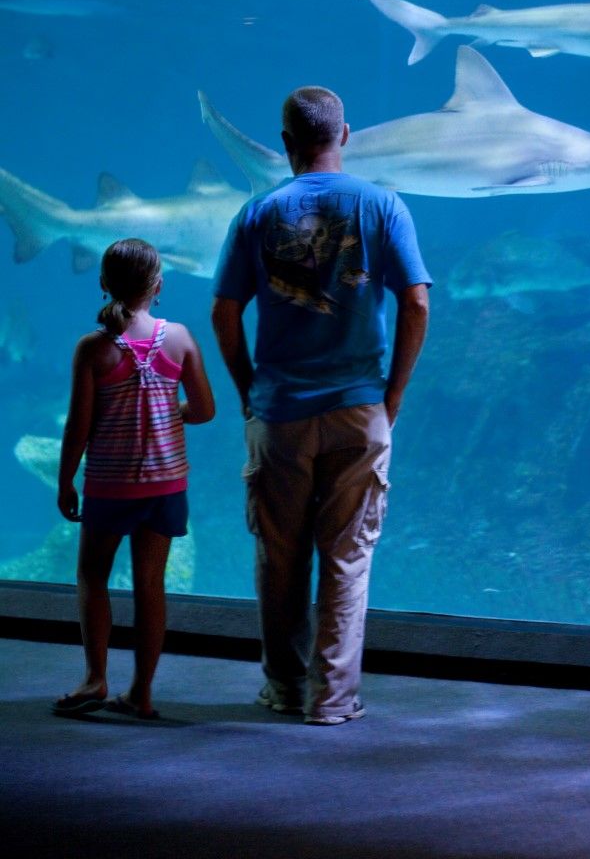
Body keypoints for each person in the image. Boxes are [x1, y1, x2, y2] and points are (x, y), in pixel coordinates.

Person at [211, 85, 430, 725]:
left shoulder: (256, 212)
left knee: (279, 555)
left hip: (278, 413)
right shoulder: (384, 205)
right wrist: (392, 396)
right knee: (347, 555)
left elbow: (224, 311)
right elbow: (417, 302)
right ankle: (331, 699)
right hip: (360, 408)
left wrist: (251, 391)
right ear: (346, 135)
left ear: (286, 143)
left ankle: (284, 688)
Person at [54, 238, 215, 719]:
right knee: (151, 585)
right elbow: (205, 411)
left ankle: (95, 678)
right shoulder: (181, 338)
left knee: (92, 576)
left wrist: (66, 482)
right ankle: (141, 693)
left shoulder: (93, 349)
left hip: (110, 485)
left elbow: (78, 427)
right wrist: (170, 412)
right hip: (166, 489)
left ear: (103, 284)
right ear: (159, 285)